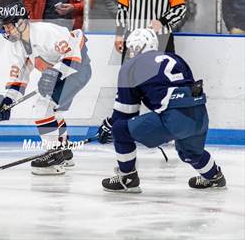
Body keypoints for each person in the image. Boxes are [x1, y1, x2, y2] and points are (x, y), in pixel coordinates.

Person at [96, 28, 226, 193]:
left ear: (133, 48)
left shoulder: (130, 67)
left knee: (120, 130)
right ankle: (214, 176)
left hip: (174, 119)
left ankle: (127, 178)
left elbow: (125, 113)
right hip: (199, 115)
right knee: (190, 153)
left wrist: (110, 126)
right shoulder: (176, 58)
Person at [0, 2, 91, 175]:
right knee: (52, 111)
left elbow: (74, 51)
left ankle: (54, 156)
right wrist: (6, 101)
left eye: (9, 25)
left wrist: (55, 72)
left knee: (42, 108)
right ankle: (64, 152)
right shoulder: (15, 46)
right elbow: (18, 79)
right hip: (61, 72)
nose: (6, 30)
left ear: (21, 23)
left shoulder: (46, 32)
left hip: (77, 69)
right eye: (4, 26)